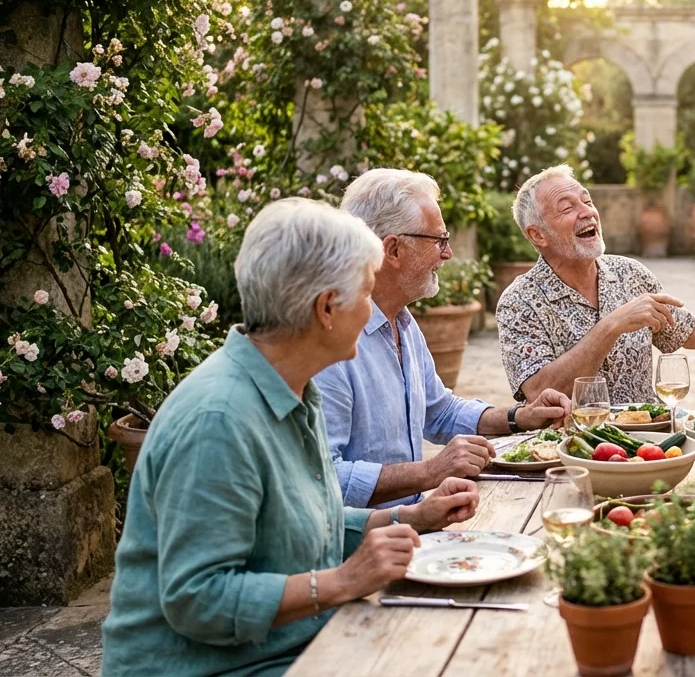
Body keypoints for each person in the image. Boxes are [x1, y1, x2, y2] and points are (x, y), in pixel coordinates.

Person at [102, 199, 483, 677]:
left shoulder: (294, 389)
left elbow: (305, 521)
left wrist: (409, 516)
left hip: (294, 646)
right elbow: (197, 600)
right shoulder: (218, 420)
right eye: (366, 293)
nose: (372, 312)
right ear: (326, 308)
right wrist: (342, 581)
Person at [317, 169, 571, 508]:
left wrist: (518, 418)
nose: (447, 253)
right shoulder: (330, 344)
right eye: (439, 240)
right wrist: (430, 472)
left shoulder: (403, 323)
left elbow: (440, 412)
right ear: (392, 249)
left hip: (411, 528)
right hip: (362, 548)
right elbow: (324, 479)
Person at [496, 165, 695, 404]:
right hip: (572, 447)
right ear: (537, 234)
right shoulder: (519, 301)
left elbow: (689, 331)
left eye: (587, 201)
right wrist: (611, 325)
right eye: (567, 208)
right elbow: (540, 393)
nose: (587, 212)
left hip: (647, 442)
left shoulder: (629, 272)